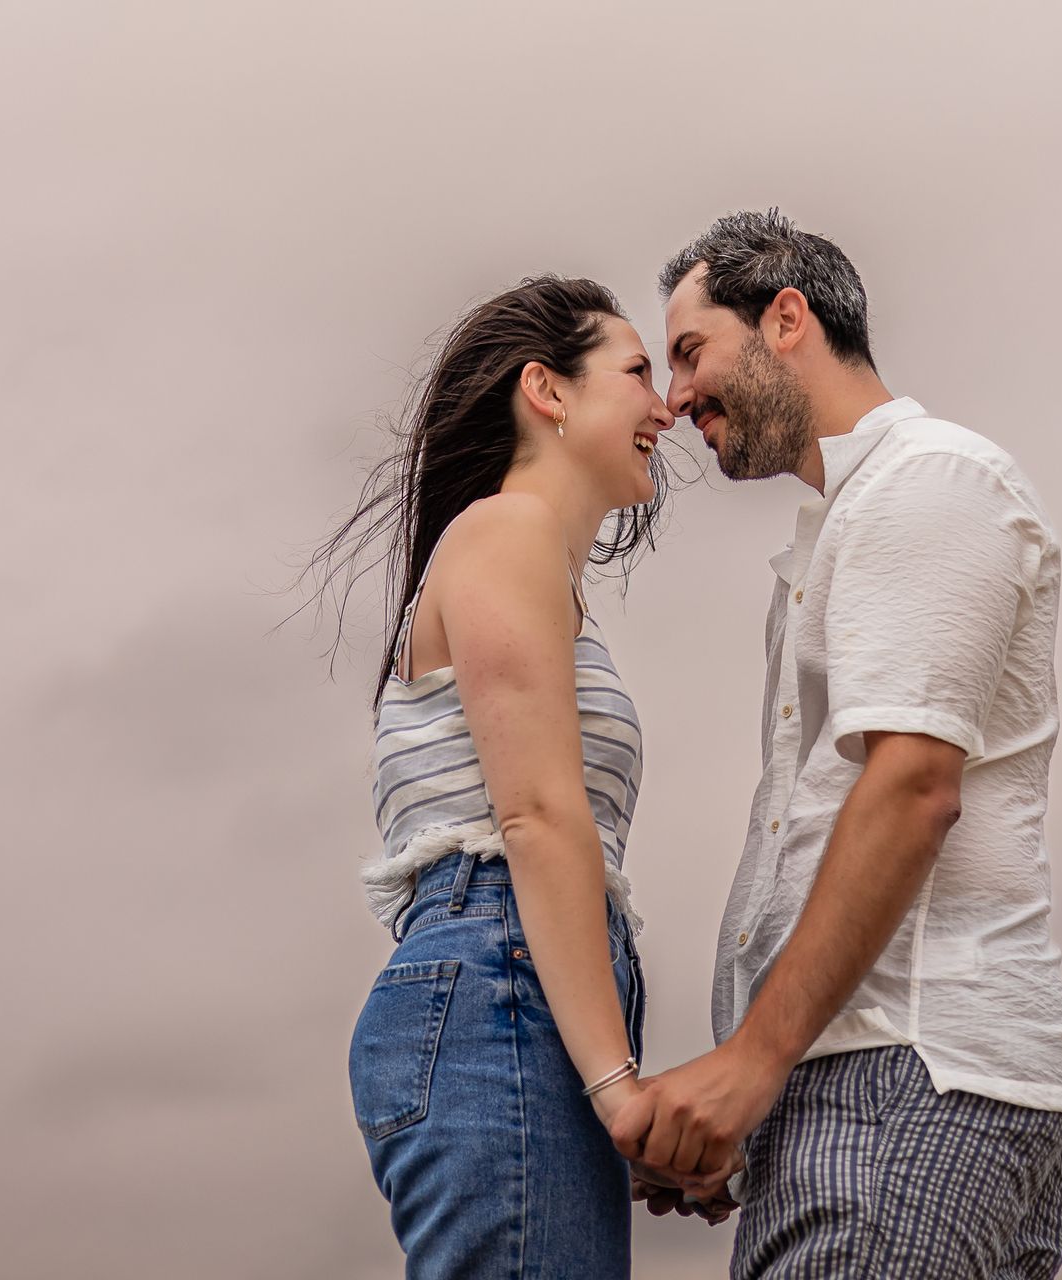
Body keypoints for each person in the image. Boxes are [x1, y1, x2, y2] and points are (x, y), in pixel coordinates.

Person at [612, 210, 1062, 1278]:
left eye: (691, 350)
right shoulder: (859, 517)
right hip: (865, 1090)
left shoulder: (929, 481)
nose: (676, 395)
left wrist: (752, 1060)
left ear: (787, 318)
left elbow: (915, 785)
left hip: (906, 1077)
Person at [315, 275, 701, 1278]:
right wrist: (615, 1088)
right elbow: (534, 815)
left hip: (508, 996)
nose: (667, 405)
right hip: (497, 980)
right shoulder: (506, 531)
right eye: (635, 371)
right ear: (548, 389)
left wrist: (597, 1073)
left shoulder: (525, 557)